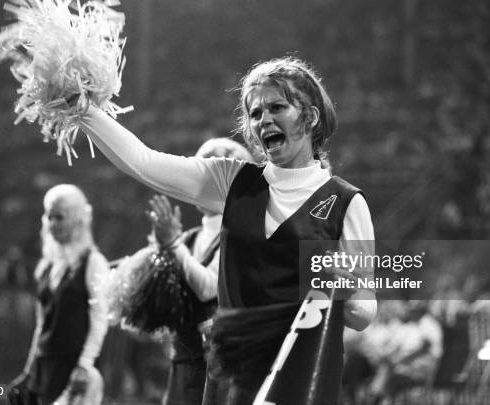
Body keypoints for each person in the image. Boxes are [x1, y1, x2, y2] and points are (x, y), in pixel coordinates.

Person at [76, 56, 377, 404]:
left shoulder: (346, 202)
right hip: (232, 374)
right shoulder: (232, 180)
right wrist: (82, 109)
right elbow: (144, 162)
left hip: (301, 373)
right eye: (255, 113)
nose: (264, 120)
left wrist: (344, 287)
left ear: (310, 117)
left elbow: (364, 313)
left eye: (277, 107)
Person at [145, 138, 254, 405]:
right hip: (181, 362)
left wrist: (171, 244)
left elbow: (208, 288)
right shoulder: (190, 238)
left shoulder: (243, 234)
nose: (193, 182)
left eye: (202, 173)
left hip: (220, 368)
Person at [8, 184, 110, 405]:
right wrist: (28, 371)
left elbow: (100, 318)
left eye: (60, 217)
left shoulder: (93, 262)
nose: (53, 224)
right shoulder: (47, 266)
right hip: (43, 368)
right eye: (49, 216)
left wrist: (85, 365)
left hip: (73, 368)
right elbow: (41, 324)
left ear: (77, 219)